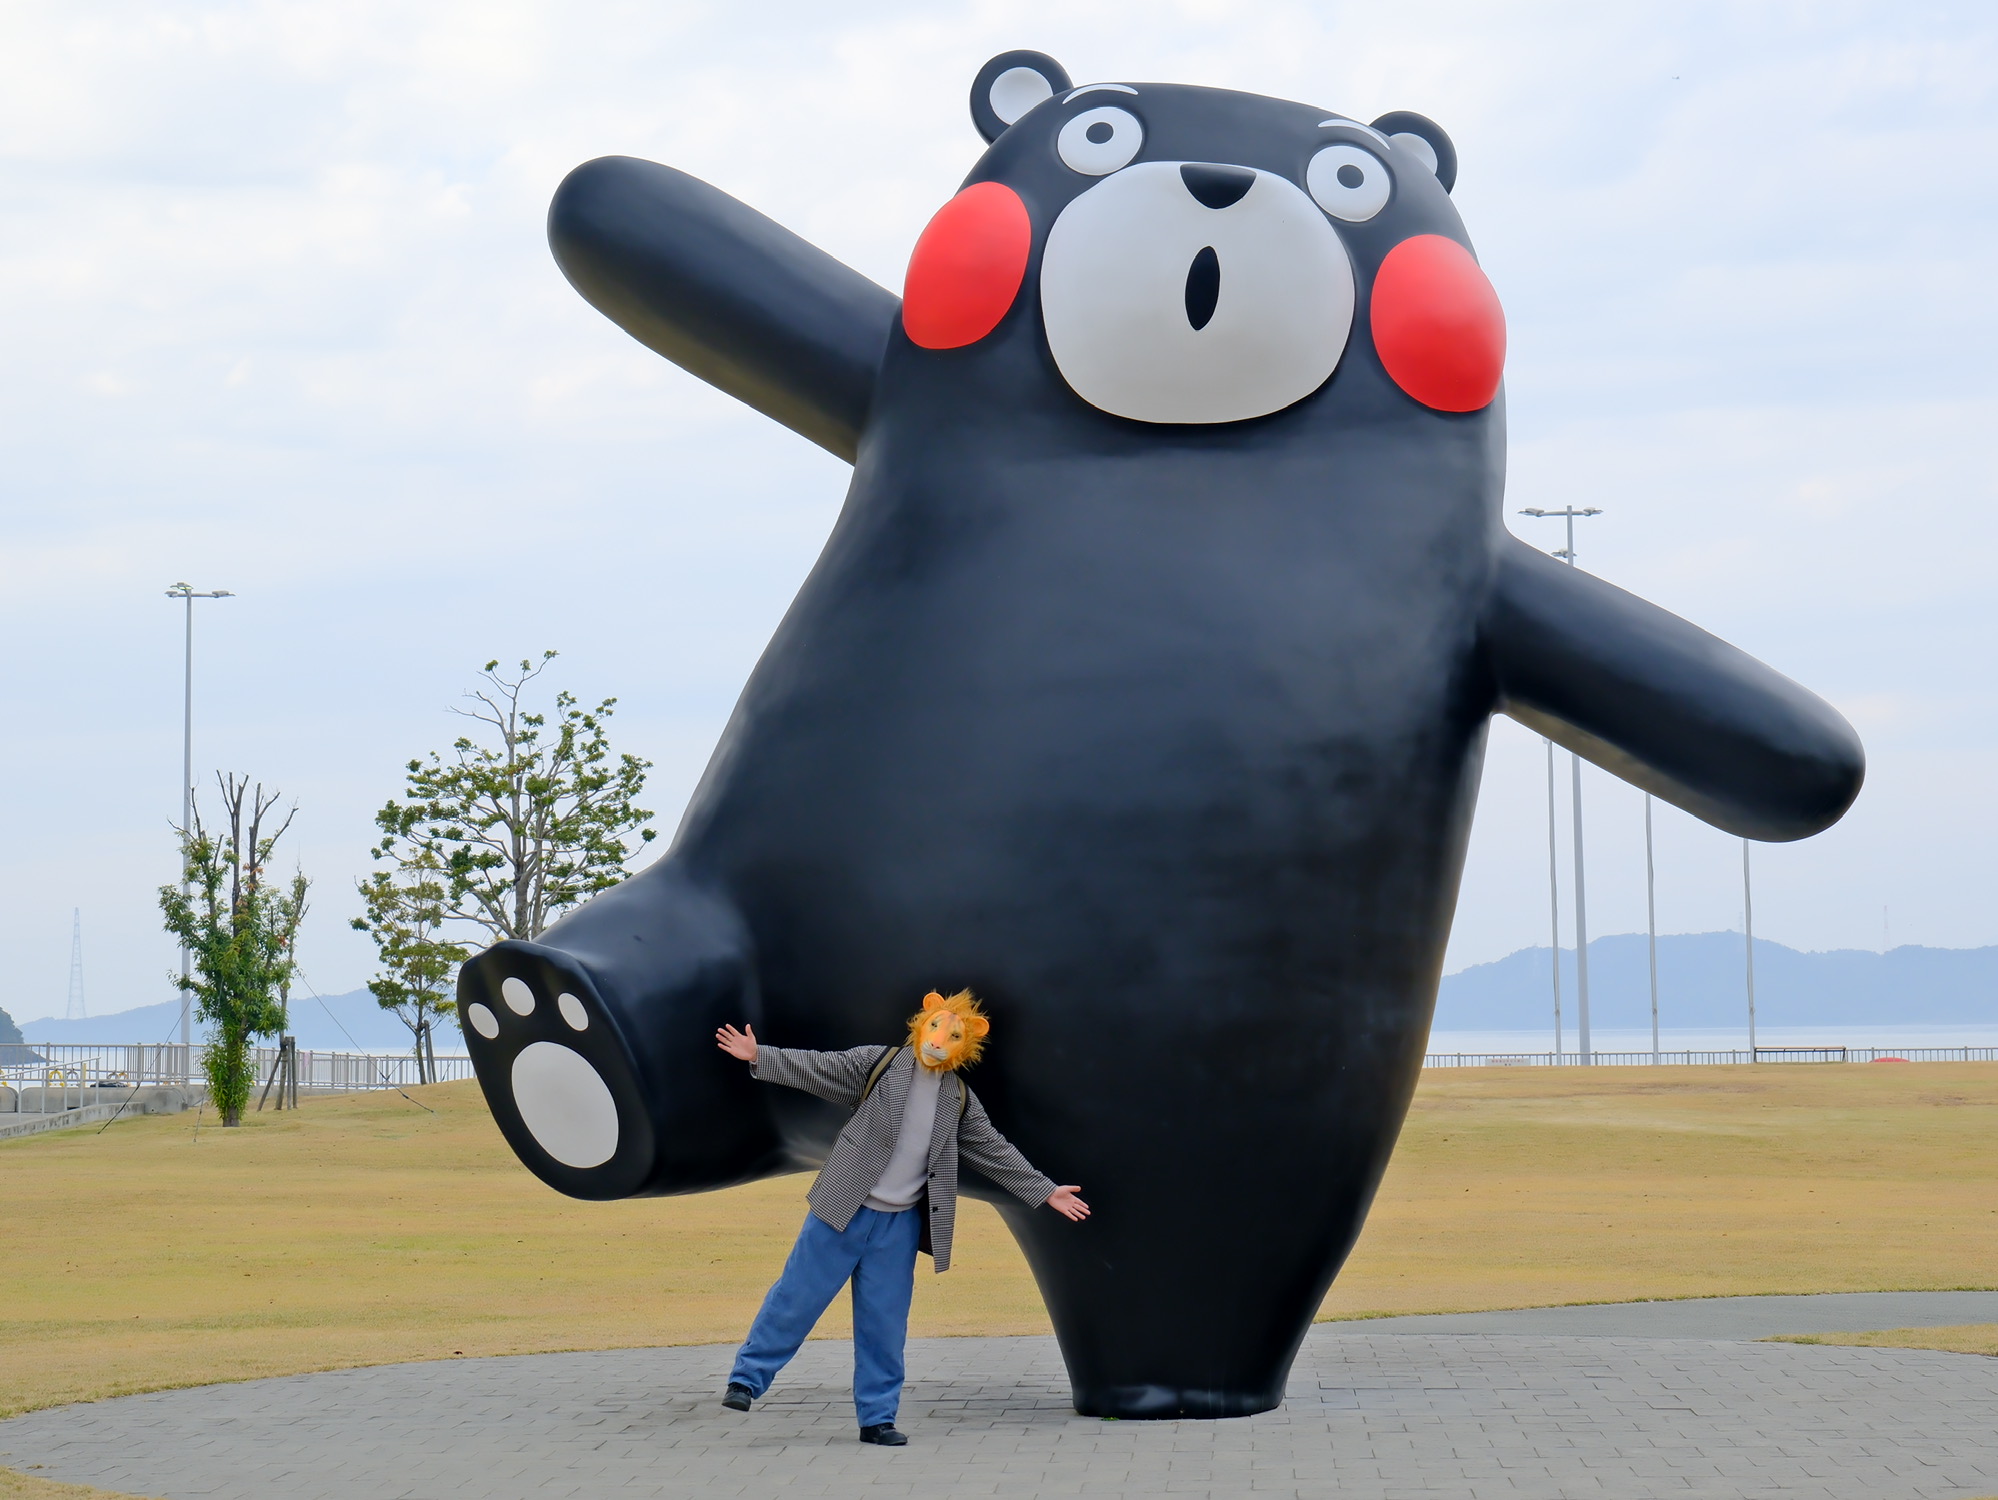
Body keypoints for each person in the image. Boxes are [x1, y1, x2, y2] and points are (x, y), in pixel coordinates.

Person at [713, 990, 1088, 1445]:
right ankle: (746, 1381)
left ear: (967, 1044)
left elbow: (993, 1149)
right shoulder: (879, 1064)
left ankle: (877, 1418)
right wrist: (759, 1055)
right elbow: (820, 1066)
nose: (939, 1040)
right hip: (843, 1207)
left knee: (885, 1324)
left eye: (953, 1036)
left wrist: (1045, 1190)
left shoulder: (959, 1099)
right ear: (922, 1022)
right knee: (797, 1298)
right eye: (936, 1028)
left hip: (898, 1226)